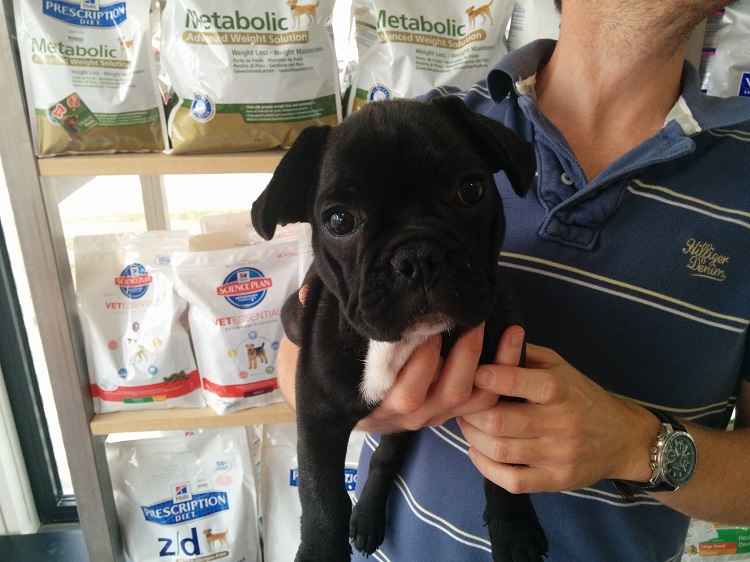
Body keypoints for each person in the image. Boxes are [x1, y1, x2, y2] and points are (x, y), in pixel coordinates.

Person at [277, 0, 750, 560]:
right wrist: (347, 397)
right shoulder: (422, 123)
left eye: (468, 193)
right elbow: (301, 350)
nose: (416, 260)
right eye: (344, 221)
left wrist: (639, 447)